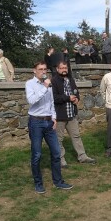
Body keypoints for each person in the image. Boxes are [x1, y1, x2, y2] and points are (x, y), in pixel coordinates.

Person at [25, 61, 73, 194]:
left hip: (49, 122)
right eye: (40, 69)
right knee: (37, 154)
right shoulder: (30, 84)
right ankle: (38, 183)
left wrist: (54, 117)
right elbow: (32, 100)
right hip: (36, 122)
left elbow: (51, 102)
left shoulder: (48, 83)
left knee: (56, 153)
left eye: (45, 69)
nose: (43, 71)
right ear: (34, 71)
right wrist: (45, 87)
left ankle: (58, 181)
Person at [52, 61, 96, 167]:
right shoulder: (54, 81)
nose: (64, 70)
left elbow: (76, 92)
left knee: (76, 136)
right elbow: (53, 97)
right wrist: (67, 98)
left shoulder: (70, 79)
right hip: (59, 116)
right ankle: (61, 159)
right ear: (57, 69)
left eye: (65, 68)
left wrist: (77, 99)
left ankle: (82, 156)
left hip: (71, 114)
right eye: (61, 68)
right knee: (59, 139)